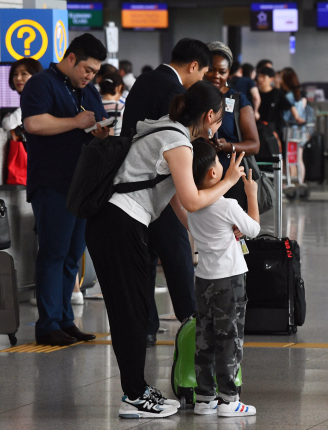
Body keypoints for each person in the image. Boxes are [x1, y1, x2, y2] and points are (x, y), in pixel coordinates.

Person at [85, 81, 247, 418]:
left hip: (116, 223)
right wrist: (229, 182)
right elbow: (190, 198)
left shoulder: (165, 130)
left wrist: (211, 232)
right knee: (130, 311)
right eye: (217, 122)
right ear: (209, 115)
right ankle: (133, 396)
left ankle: (138, 389)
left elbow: (178, 201)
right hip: (120, 223)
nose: (217, 129)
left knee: (136, 308)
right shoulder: (177, 142)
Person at [121, 38, 211, 347]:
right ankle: (191, 322)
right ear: (194, 66)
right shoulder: (173, 92)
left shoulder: (145, 79)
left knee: (146, 261)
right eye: (202, 75)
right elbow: (174, 147)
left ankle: (147, 326)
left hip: (131, 187)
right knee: (177, 255)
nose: (199, 82)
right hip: (155, 189)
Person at [21, 33, 110, 346]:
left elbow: (94, 120)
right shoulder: (41, 83)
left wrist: (101, 130)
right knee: (53, 253)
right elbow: (33, 124)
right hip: (53, 183)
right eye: (87, 68)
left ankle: (65, 320)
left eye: (95, 72)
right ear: (71, 58)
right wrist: (75, 122)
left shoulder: (87, 90)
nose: (90, 76)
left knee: (73, 256)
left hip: (83, 185)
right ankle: (47, 324)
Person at [188, 139, 259, 417]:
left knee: (205, 338)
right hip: (229, 280)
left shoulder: (192, 205)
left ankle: (204, 398)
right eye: (218, 162)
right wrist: (250, 192)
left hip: (203, 279)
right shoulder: (227, 205)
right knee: (229, 338)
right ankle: (229, 400)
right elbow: (252, 229)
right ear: (213, 174)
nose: (221, 164)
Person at [204, 41, 260, 210]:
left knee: (234, 233)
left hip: (232, 177)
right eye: (211, 70)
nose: (216, 76)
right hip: (199, 176)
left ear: (229, 73)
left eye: (222, 71)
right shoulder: (191, 97)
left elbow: (254, 145)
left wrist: (228, 146)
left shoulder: (237, 100)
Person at [257, 66, 305, 146]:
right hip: (258, 128)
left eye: (264, 77)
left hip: (273, 128)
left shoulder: (276, 93)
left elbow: (290, 106)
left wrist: (297, 117)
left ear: (271, 79)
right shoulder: (256, 94)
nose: (261, 79)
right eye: (259, 76)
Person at [281, 67, 308, 183]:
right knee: (299, 159)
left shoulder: (288, 97)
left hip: (290, 131)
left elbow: (288, 116)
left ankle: (290, 183)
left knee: (289, 159)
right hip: (300, 131)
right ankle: (300, 182)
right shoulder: (300, 96)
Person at [2, 58, 43, 132]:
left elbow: (8, 124)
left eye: (24, 73)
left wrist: (7, 117)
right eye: (15, 74)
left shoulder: (37, 99)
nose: (18, 78)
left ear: (36, 76)